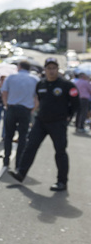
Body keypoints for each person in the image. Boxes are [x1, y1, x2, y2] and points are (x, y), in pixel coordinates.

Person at [9, 58, 80, 191]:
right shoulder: (41, 84)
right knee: (30, 146)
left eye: (54, 68)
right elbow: (40, 100)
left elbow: (76, 104)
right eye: (49, 68)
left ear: (57, 69)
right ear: (45, 70)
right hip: (41, 122)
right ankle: (21, 173)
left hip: (58, 123)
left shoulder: (66, 85)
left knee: (60, 151)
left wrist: (67, 117)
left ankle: (62, 182)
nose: (51, 70)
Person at [1, 60, 38, 168]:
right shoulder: (34, 79)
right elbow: (37, 97)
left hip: (12, 108)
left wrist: (6, 105)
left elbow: (4, 92)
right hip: (26, 109)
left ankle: (6, 158)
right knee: (22, 137)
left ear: (19, 66)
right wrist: (33, 109)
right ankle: (19, 162)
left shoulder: (11, 77)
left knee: (8, 135)